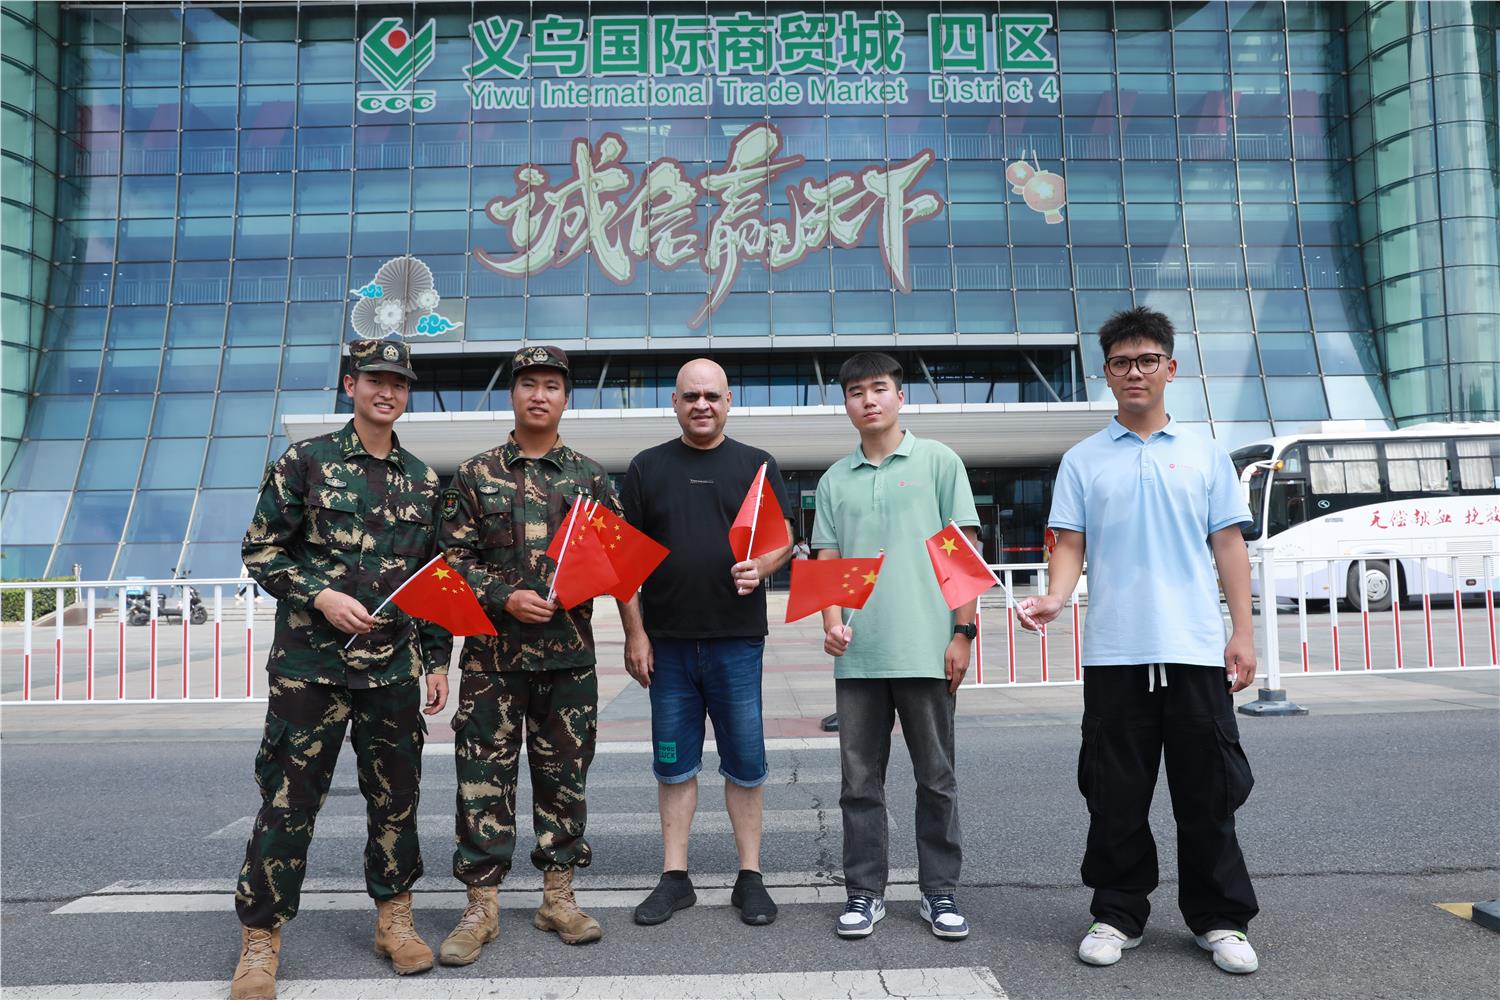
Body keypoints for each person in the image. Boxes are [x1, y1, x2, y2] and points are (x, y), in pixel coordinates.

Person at [1019, 306, 1261, 976]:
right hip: (1115, 653)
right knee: (1114, 796)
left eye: (1147, 360)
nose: (1135, 372)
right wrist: (1056, 597)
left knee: (1208, 794)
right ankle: (1117, 914)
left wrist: (1242, 632)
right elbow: (1069, 543)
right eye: (1122, 362)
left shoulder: (1205, 454)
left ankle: (1220, 919)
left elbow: (1228, 545)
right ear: (1106, 372)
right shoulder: (1083, 460)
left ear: (1170, 368)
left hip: (1193, 649)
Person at [231, 339, 451, 1000]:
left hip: (391, 671)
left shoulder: (423, 480)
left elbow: (431, 580)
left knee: (396, 798)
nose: (387, 391)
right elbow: (261, 549)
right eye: (375, 379)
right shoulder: (306, 461)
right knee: (288, 801)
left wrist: (437, 660)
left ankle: (395, 921)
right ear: (351, 385)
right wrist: (320, 596)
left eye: (399, 383)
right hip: (310, 668)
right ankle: (261, 939)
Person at [437, 345, 617, 963]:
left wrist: (633, 628)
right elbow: (450, 560)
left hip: (568, 660)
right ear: (512, 394)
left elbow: (615, 560)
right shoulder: (474, 474)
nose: (539, 395)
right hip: (492, 662)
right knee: (481, 781)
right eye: (528, 384)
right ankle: (481, 906)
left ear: (566, 397)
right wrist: (504, 596)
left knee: (565, 778)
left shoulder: (591, 478)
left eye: (552, 386)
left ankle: (557, 897)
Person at [811, 352, 980, 942]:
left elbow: (962, 553)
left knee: (936, 778)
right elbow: (829, 558)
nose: (869, 400)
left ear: (900, 396)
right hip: (859, 657)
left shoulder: (938, 462)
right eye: (856, 391)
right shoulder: (834, 480)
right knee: (859, 784)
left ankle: (939, 892)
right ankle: (864, 892)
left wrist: (962, 633)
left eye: (879, 388)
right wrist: (831, 623)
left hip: (927, 648)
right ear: (846, 403)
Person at [622, 359, 794, 928]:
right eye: (691, 396)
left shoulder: (757, 464)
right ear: (674, 402)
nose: (702, 405)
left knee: (745, 763)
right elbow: (626, 564)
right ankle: (675, 878)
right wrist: (635, 634)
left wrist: (763, 565)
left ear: (729, 401)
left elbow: (784, 538)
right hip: (667, 645)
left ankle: (751, 877)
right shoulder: (646, 467)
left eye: (712, 396)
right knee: (674, 765)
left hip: (736, 642)